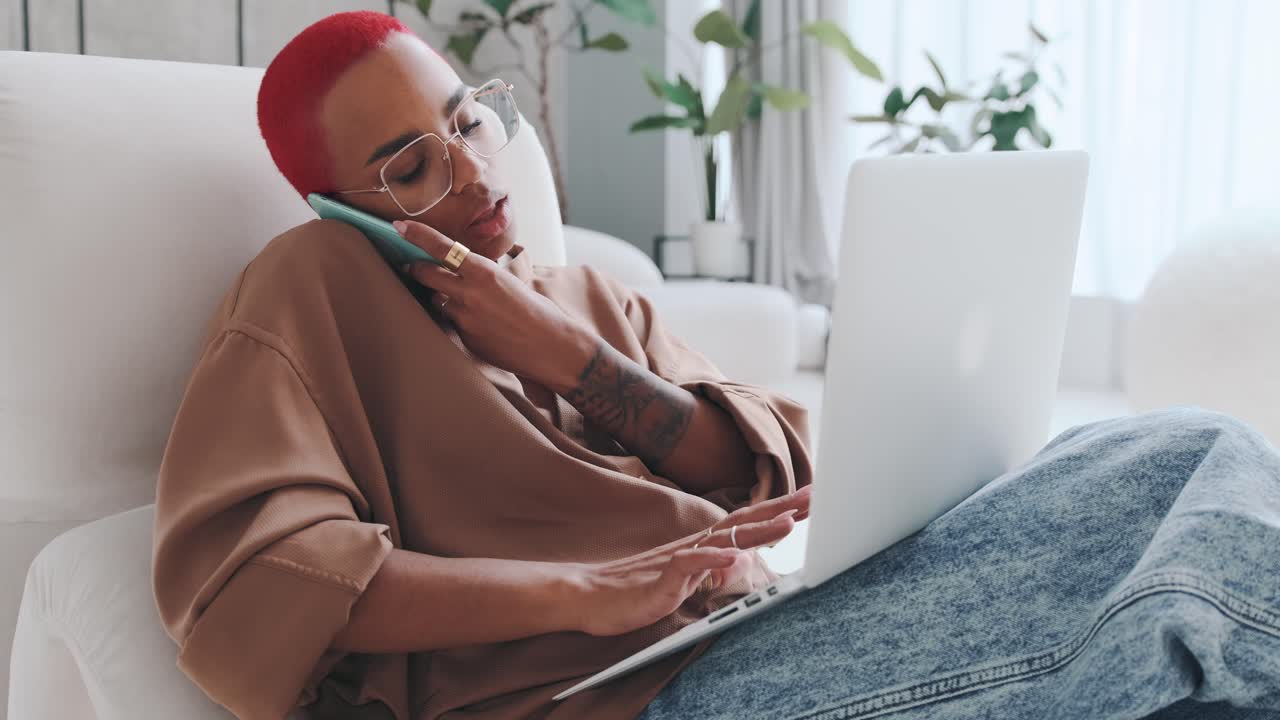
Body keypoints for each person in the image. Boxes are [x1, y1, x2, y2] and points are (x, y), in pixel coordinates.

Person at [151, 10, 1280, 720]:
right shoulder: (311, 289)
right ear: (343, 211)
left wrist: (569, 355)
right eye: (410, 166)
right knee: (1187, 584)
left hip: (763, 621)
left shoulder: (583, 293)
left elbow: (753, 479)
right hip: (637, 695)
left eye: (470, 123)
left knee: (1169, 450)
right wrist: (584, 594)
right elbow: (257, 584)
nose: (476, 172)